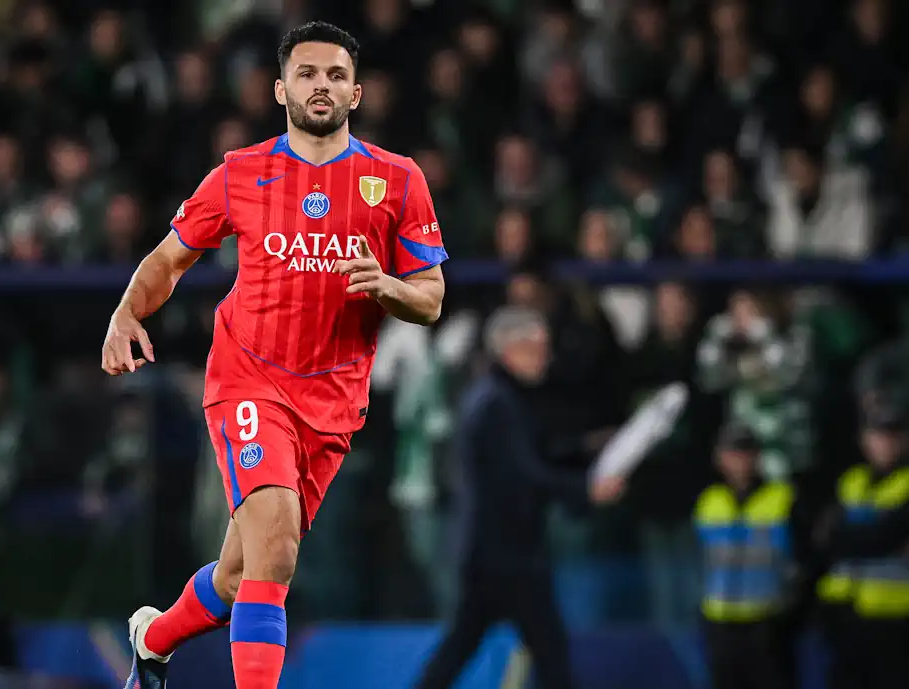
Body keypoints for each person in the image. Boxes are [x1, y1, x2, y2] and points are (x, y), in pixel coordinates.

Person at [100, 21, 448, 689]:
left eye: (337, 75)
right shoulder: (240, 174)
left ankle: (153, 640)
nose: (322, 84)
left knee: (240, 573)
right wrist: (124, 312)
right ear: (281, 88)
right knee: (279, 550)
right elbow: (171, 257)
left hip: (335, 403)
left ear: (357, 93)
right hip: (249, 382)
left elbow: (431, 298)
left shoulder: (397, 182)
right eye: (309, 73)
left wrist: (388, 286)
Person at [412, 306, 625, 689]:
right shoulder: (497, 403)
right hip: (509, 556)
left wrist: (587, 447)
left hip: (494, 553)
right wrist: (586, 490)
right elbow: (526, 474)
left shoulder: (501, 397)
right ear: (511, 351)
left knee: (463, 646)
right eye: (537, 348)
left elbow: (537, 454)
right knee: (549, 652)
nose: (546, 357)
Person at [694, 422, 798, 689]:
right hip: (720, 621)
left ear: (758, 455)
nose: (739, 460)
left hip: (767, 622)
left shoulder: (783, 497)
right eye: (732, 452)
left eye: (745, 451)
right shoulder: (708, 501)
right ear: (719, 457)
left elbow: (804, 557)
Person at [815, 403, 909, 689]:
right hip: (846, 613)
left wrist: (852, 536)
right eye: (878, 434)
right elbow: (824, 539)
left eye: (893, 435)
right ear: (864, 440)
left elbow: (885, 537)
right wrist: (870, 536)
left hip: (895, 616)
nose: (885, 443)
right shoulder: (851, 481)